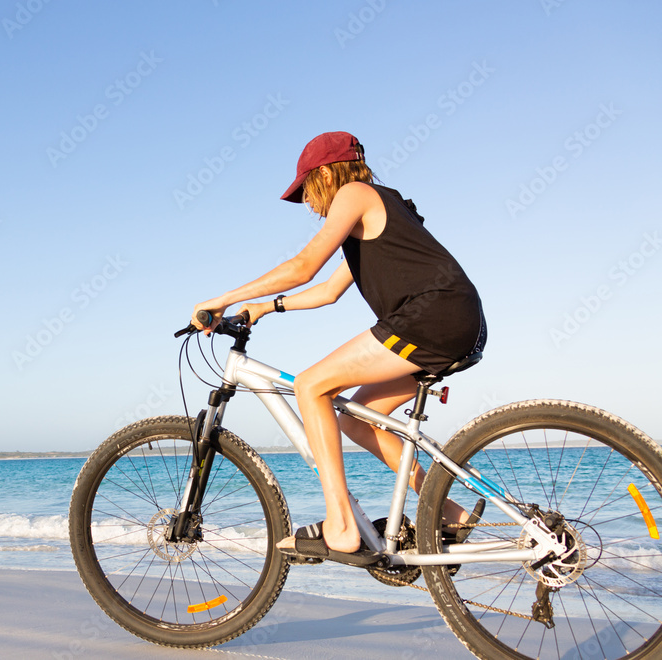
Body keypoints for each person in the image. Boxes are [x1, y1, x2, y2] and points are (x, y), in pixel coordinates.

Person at [191, 131, 487, 563]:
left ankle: (342, 525)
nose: (309, 203)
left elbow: (304, 267)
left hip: (432, 317)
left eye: (307, 189)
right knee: (355, 420)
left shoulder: (355, 193)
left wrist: (223, 299)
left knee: (312, 386)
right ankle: (448, 511)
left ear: (327, 173)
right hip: (456, 321)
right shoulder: (378, 213)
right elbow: (329, 289)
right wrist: (265, 308)